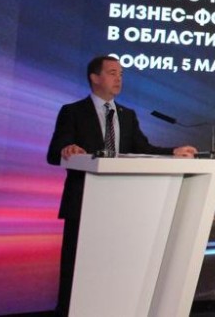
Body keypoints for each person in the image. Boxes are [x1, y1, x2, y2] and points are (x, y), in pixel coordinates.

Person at [46, 55, 197, 315]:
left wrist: (173, 152)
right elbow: (53, 153)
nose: (119, 79)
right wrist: (67, 149)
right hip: (83, 204)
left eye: (121, 74)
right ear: (95, 78)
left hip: (120, 207)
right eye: (112, 73)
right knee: (76, 270)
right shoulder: (73, 112)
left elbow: (143, 149)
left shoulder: (127, 115)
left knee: (113, 269)